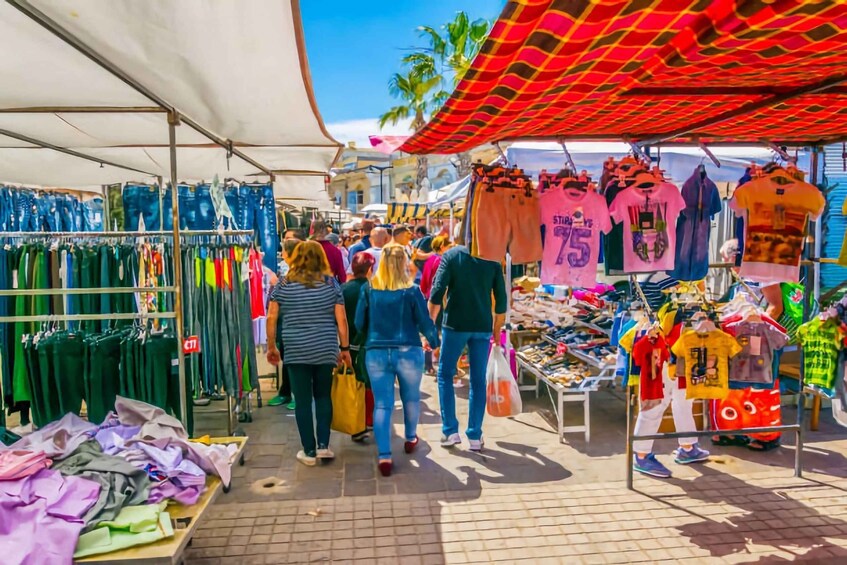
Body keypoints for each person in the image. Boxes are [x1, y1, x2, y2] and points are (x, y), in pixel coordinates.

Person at [356, 244, 439, 477]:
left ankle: (384, 455)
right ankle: (411, 438)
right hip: (408, 350)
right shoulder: (411, 291)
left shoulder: (369, 289)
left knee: (383, 404)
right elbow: (424, 321)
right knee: (411, 398)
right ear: (404, 263)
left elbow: (359, 324)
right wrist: (434, 342)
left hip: (376, 351)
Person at [267, 241, 352, 467]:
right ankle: (324, 445)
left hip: (295, 349)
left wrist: (271, 345)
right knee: (323, 396)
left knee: (303, 401)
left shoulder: (284, 284)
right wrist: (345, 349)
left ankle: (309, 450)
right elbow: (341, 320)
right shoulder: (331, 284)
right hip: (325, 348)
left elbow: (271, 317)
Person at [429, 243, 507, 452]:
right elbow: (501, 298)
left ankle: (450, 430)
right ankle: (474, 434)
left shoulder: (452, 255)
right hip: (482, 325)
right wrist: (497, 329)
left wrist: (430, 325)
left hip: (455, 324)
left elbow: (437, 291)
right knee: (478, 380)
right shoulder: (492, 256)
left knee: (445, 374)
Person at [341, 252, 377, 442]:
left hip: (347, 343)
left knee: (354, 383)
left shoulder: (343, 289)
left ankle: (356, 419)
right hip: (368, 343)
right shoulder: (374, 289)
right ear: (370, 269)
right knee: (369, 382)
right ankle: (367, 418)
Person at [267, 237, 303, 408]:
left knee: (295, 360)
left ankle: (297, 394)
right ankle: (285, 392)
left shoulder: (299, 273)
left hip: (296, 322)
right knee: (287, 358)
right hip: (285, 322)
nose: (282, 254)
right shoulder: (284, 271)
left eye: (283, 250)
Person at [420, 235, 452, 376]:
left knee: (430, 331)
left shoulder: (430, 260)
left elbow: (423, 281)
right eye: (448, 245)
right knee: (442, 331)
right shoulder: (441, 261)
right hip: (440, 300)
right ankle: (441, 364)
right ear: (441, 246)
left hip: (428, 297)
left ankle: (428, 365)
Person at [311, 219, 347, 284]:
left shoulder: (306, 248)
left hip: (309, 285)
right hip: (329, 285)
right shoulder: (335, 251)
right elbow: (341, 275)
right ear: (326, 232)